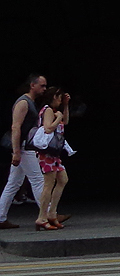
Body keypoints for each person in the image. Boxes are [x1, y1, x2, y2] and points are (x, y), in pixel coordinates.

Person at [0, 74, 50, 231]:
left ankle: (1, 217)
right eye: (42, 85)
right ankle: (48, 214)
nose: (44, 89)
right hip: (23, 147)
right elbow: (16, 127)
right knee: (38, 180)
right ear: (32, 85)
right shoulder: (23, 102)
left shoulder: (30, 102)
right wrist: (16, 151)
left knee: (13, 183)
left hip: (23, 146)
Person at [34, 89, 70, 230]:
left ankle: (51, 213)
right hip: (47, 153)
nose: (60, 101)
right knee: (49, 184)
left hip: (53, 153)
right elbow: (48, 128)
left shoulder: (54, 110)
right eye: (59, 98)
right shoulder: (48, 110)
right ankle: (42, 217)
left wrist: (65, 106)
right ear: (54, 97)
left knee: (62, 179)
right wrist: (58, 117)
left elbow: (65, 121)